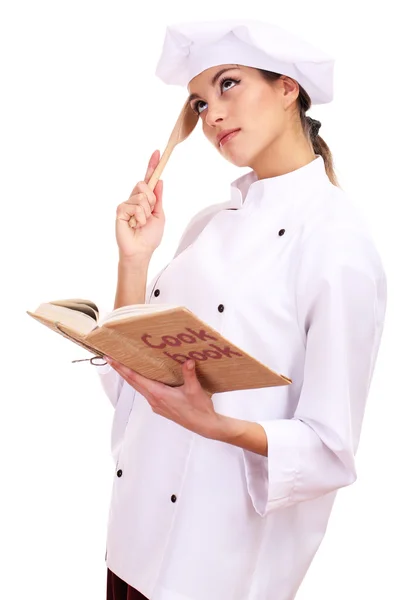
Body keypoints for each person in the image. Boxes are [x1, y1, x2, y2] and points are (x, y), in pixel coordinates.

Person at [97, 19, 387, 600]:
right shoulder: (206, 225)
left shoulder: (338, 242)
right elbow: (135, 385)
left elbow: (330, 450)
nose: (212, 116)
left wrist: (213, 423)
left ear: (288, 88)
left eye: (228, 85)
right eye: (200, 103)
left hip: (217, 563)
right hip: (131, 543)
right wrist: (134, 261)